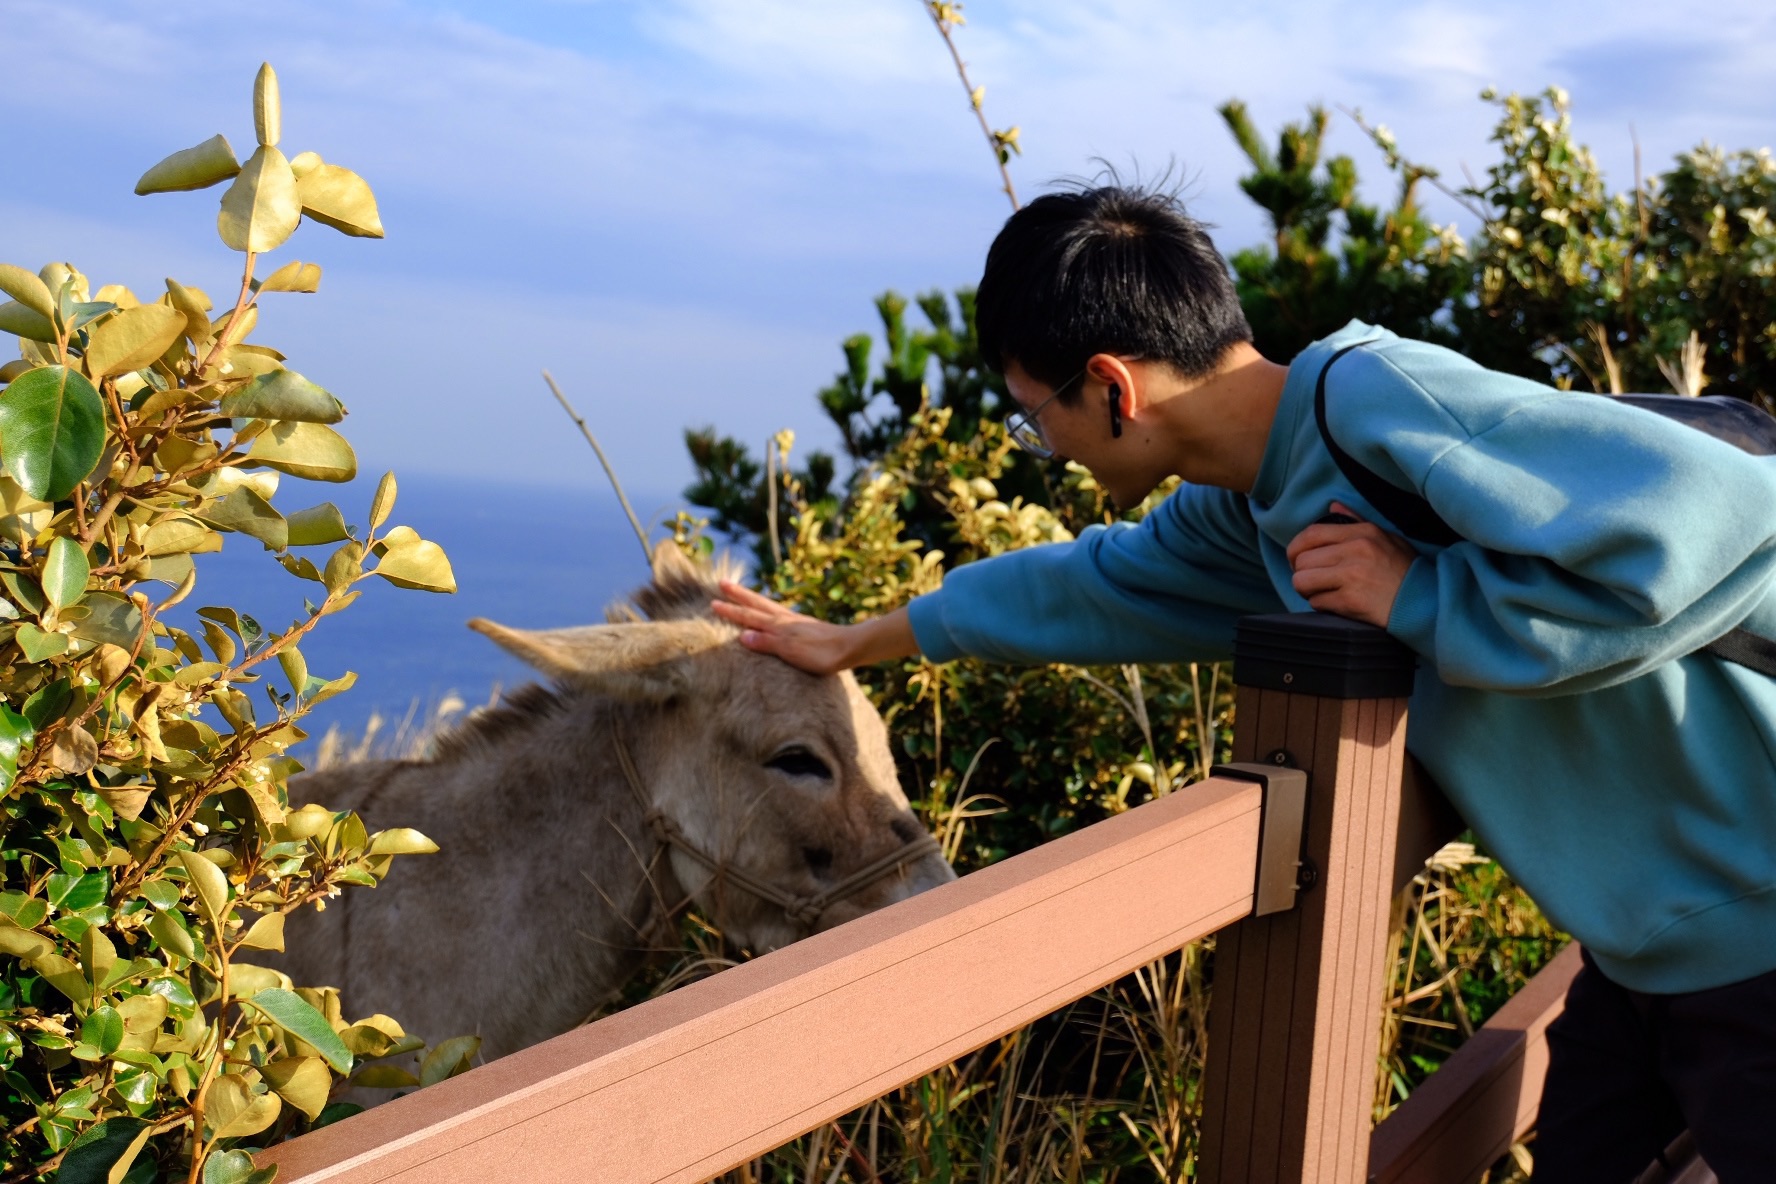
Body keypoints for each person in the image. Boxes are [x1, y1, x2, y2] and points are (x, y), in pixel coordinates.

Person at [711, 184, 1776, 1182]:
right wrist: (859, 640)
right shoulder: (1250, 509)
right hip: (1641, 955)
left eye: (1038, 417)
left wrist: (1421, 596)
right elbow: (1086, 587)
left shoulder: (1376, 399)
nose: (1049, 445)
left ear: (1113, 388)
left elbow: (1729, 512)